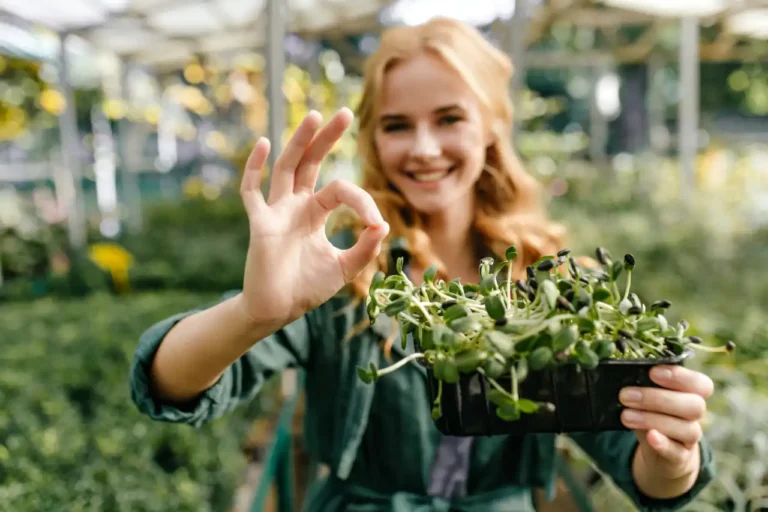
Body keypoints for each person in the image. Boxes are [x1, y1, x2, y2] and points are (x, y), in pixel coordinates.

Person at [130, 17, 715, 511]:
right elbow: (167, 384)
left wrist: (674, 454)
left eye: (449, 118)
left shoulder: (558, 286)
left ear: (492, 126)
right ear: (373, 141)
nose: (425, 148)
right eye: (397, 125)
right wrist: (253, 315)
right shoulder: (339, 275)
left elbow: (646, 471)